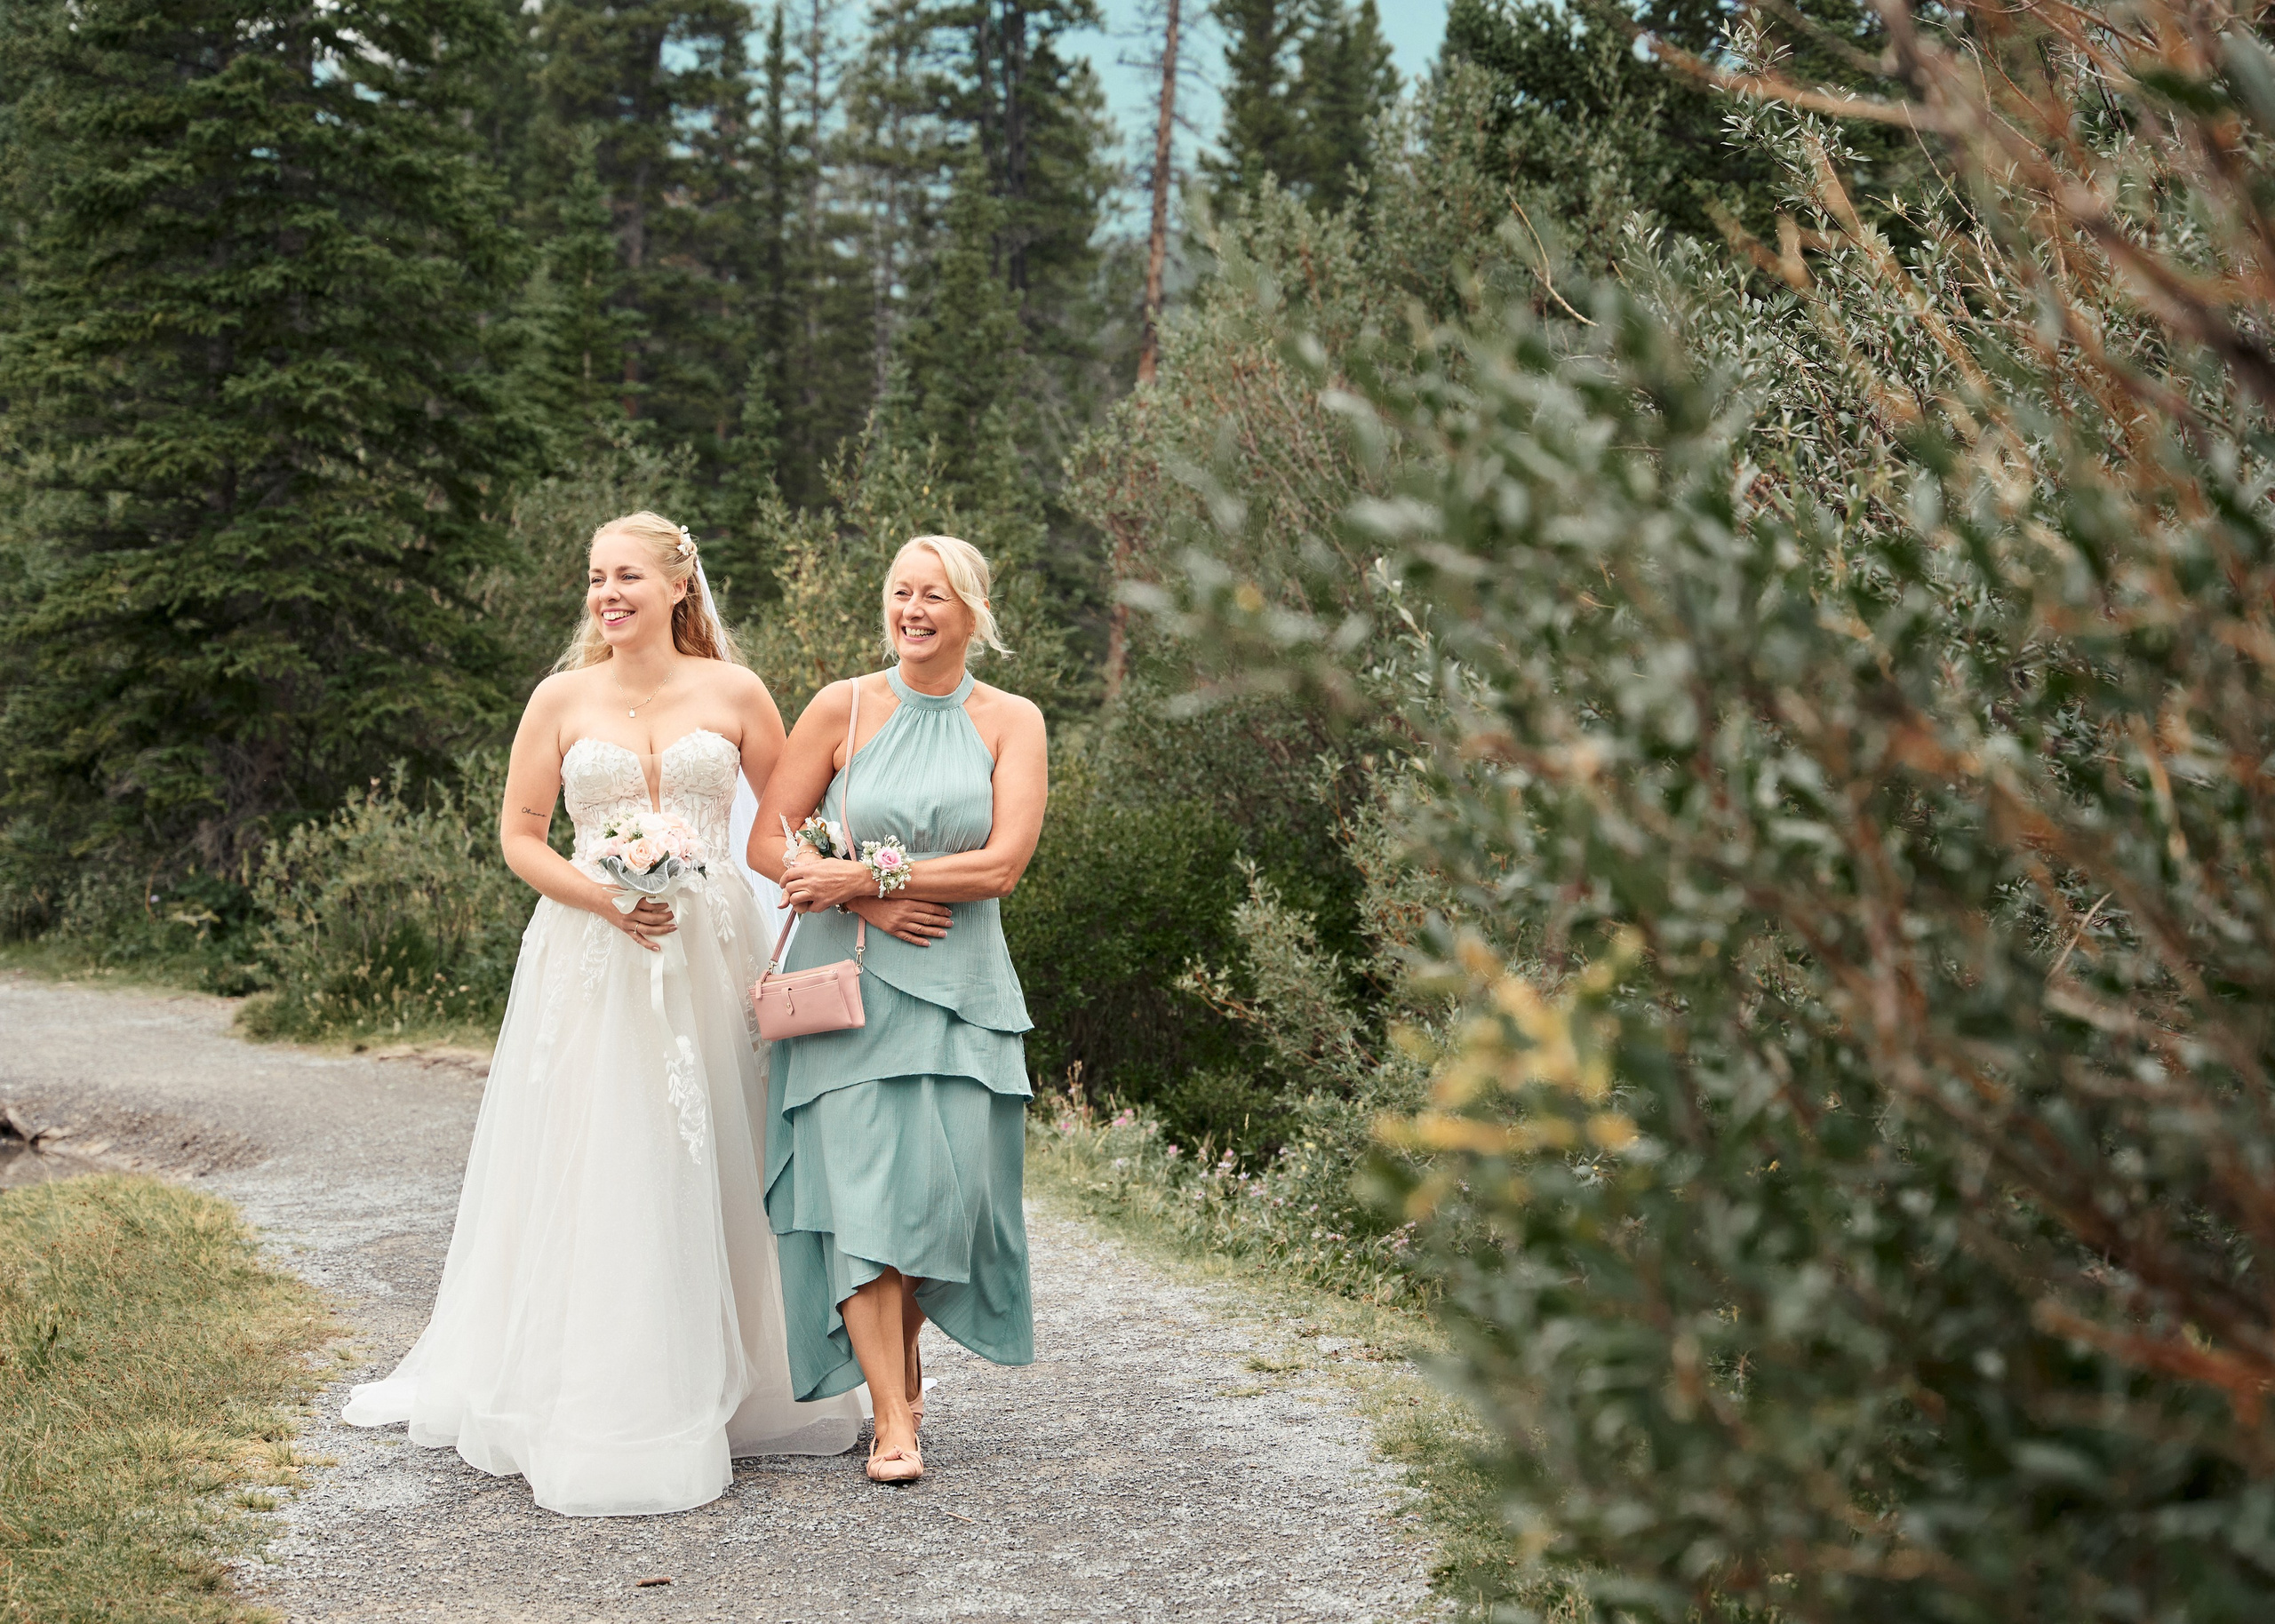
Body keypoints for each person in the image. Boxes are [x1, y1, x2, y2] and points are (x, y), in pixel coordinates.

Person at [340, 511, 933, 1516]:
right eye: (594, 578)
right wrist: (605, 896)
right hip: (591, 954)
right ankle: (600, 1386)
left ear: (676, 585)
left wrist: (863, 882)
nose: (605, 594)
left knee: (733, 1150)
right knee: (602, 1151)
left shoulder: (736, 693)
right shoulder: (559, 698)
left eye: (624, 576)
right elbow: (522, 836)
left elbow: (792, 827)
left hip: (711, 950)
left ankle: (752, 1381)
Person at [753, 533, 1048, 1485]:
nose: (911, 611)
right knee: (866, 1197)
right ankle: (891, 1418)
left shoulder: (1012, 721)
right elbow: (769, 839)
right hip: (851, 988)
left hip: (963, 993)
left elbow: (1001, 865)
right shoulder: (841, 707)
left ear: (971, 612)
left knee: (943, 1204)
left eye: (932, 597)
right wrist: (863, 897)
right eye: (898, 593)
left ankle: (902, 1355)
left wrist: (872, 868)